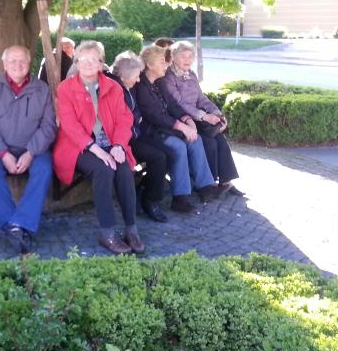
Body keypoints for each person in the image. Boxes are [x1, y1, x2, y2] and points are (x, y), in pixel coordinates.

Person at [53, 41, 144, 255]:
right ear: (76, 62)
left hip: (111, 143)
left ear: (101, 63)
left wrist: (119, 145)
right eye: (83, 59)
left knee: (124, 169)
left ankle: (131, 229)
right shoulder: (65, 88)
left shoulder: (113, 87)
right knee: (104, 169)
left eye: (93, 59)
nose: (88, 63)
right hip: (78, 146)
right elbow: (70, 125)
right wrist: (96, 149)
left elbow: (124, 119)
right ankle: (107, 232)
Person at [0, 45, 57, 254]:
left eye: (22, 60)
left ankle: (20, 223)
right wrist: (3, 154)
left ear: (29, 63)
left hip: (33, 148)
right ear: (4, 64)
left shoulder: (42, 89)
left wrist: (30, 153)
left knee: (44, 170)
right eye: (12, 60)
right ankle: (13, 224)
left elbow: (48, 127)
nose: (17, 65)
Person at [134, 45, 218, 213]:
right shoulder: (141, 86)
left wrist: (188, 120)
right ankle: (180, 197)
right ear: (149, 65)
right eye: (161, 61)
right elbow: (155, 116)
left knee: (195, 139)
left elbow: (173, 105)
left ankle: (205, 187)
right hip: (151, 132)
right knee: (179, 146)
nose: (166, 64)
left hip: (168, 128)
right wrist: (182, 127)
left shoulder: (159, 82)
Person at [162, 41, 242, 196]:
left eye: (190, 56)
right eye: (183, 56)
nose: (187, 60)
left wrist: (217, 113)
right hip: (182, 119)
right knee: (208, 142)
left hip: (199, 118)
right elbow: (179, 104)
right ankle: (208, 184)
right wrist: (204, 116)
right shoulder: (168, 77)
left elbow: (201, 98)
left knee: (220, 139)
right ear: (174, 57)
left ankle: (226, 181)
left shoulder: (191, 74)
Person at [110, 51, 170, 222]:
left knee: (169, 152)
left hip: (136, 133)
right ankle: (150, 201)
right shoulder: (116, 90)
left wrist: (135, 118)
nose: (138, 80)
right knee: (158, 157)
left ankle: (142, 189)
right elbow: (123, 118)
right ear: (123, 77)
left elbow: (135, 113)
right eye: (135, 76)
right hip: (123, 140)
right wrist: (135, 119)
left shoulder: (130, 87)